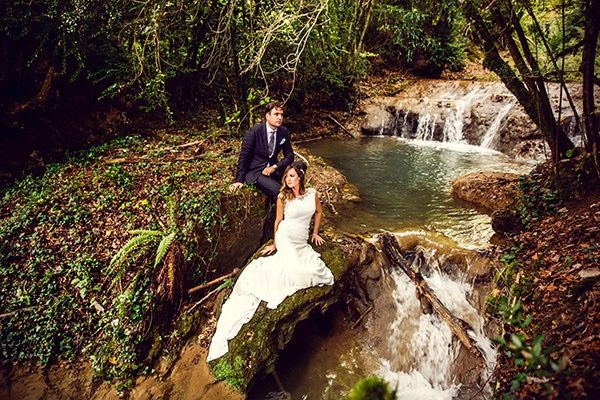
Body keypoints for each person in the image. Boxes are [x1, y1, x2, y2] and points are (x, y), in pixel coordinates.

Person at [207, 161, 334, 362]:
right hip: (285, 237)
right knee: (300, 273)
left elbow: (318, 212)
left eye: (292, 176)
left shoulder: (312, 194)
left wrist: (315, 233)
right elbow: (278, 221)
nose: (288, 179)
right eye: (286, 176)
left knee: (319, 272)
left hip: (301, 240)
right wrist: (275, 244)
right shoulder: (283, 196)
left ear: (300, 177)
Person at [229, 101, 295, 200]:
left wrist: (275, 167)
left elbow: (290, 155)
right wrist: (239, 180)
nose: (280, 117)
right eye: (276, 114)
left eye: (281, 115)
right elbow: (244, 156)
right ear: (267, 116)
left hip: (274, 169)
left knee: (300, 166)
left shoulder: (283, 131)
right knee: (279, 192)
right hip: (256, 171)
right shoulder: (254, 132)